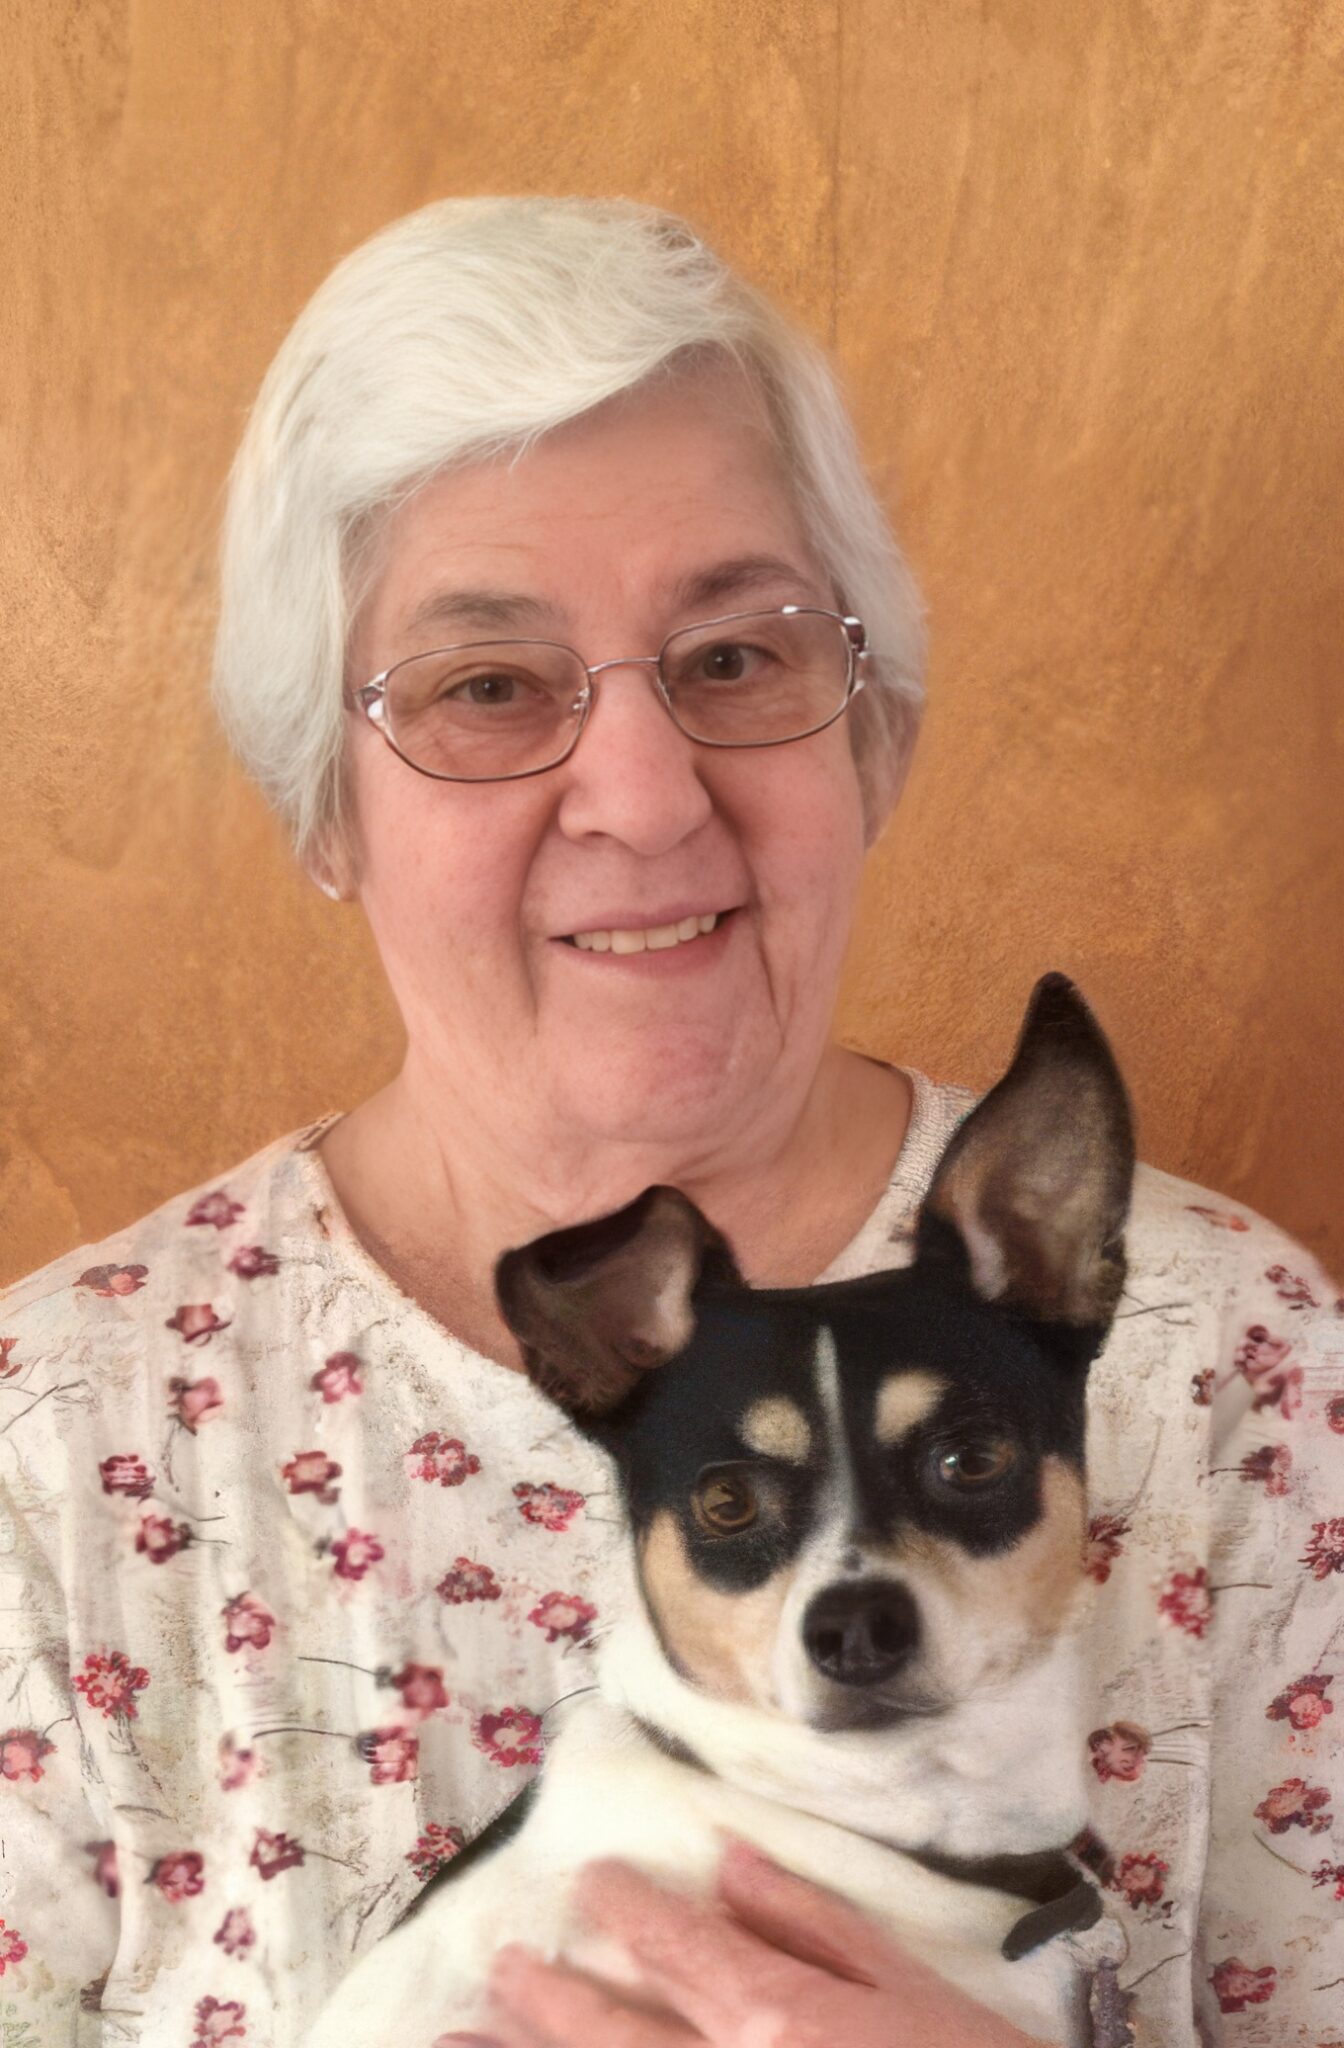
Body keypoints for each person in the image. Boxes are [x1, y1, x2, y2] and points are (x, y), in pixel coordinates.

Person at [0, 196, 1338, 2048]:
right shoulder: (60, 1452)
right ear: (325, 808)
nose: (641, 796)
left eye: (733, 658)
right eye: (487, 688)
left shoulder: (1243, 1366)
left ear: (873, 737)